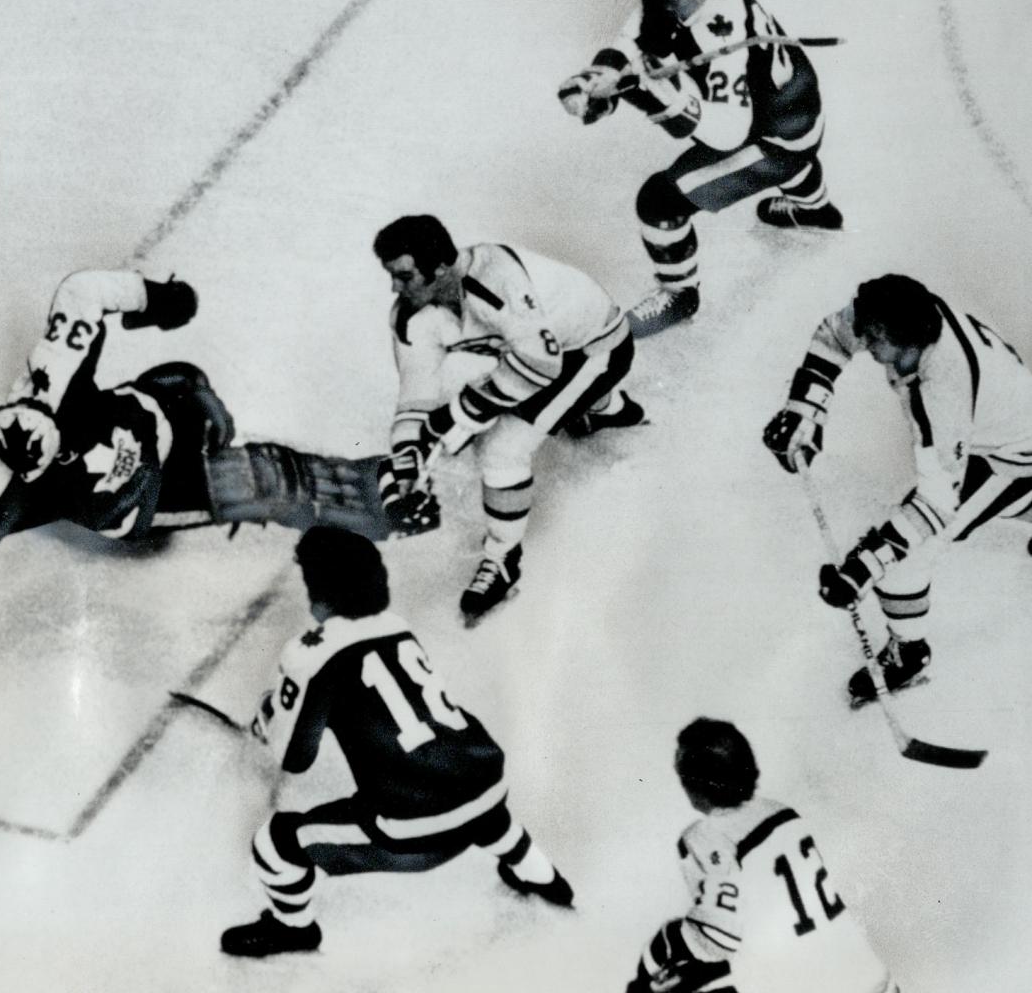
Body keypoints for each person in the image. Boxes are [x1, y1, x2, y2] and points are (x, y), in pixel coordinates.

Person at [0, 269, 413, 671]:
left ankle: (192, 404)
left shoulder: (56, 372)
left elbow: (83, 291)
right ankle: (376, 508)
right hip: (139, 502)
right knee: (263, 482)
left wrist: (159, 300)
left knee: (183, 380)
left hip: (154, 414)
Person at [220, 525, 573, 958]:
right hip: (489, 789)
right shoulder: (397, 628)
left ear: (318, 591)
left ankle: (293, 928)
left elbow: (294, 757)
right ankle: (539, 874)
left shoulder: (310, 653)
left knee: (275, 845)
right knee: (470, 792)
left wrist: (273, 715)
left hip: (412, 831)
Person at [558, 0, 841, 338]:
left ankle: (679, 294)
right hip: (800, 116)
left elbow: (727, 134)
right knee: (797, 153)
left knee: (659, 201)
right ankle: (815, 209)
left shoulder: (722, 39)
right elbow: (631, 37)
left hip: (777, 140)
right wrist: (597, 78)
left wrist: (645, 93)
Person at [763, 273, 1032, 705]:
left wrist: (866, 565)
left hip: (1013, 459)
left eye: (874, 339)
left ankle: (908, 653)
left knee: (906, 562)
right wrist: (805, 411)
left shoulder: (943, 391)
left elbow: (939, 502)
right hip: (999, 426)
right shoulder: (901, 311)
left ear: (910, 344)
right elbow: (835, 333)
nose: (863, 343)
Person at [372, 213, 643, 622]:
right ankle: (607, 409)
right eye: (391, 275)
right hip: (539, 351)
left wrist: (458, 418)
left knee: (501, 451)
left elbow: (542, 366)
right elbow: (416, 394)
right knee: (483, 411)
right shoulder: (411, 314)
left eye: (405, 276)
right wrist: (408, 454)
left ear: (441, 267)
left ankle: (502, 558)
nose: (394, 287)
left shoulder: (495, 281)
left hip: (593, 350)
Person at [625, 718, 897, 993]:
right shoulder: (784, 814)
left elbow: (718, 938)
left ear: (696, 784)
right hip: (876, 981)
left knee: (670, 967)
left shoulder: (706, 836)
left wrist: (662, 952)